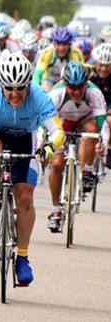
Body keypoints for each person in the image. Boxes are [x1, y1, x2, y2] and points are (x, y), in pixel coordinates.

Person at [0, 52, 64, 285]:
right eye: (9, 89)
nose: (15, 94)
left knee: (25, 196)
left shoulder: (39, 96)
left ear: (29, 85)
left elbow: (58, 132)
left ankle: (23, 257)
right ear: (0, 86)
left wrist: (49, 147)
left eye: (21, 88)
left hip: (27, 137)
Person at [47, 61, 109, 232]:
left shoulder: (94, 93)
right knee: (57, 164)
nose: (75, 92)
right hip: (62, 121)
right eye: (71, 87)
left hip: (85, 120)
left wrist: (102, 143)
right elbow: (45, 123)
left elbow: (102, 123)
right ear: (65, 84)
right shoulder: (56, 93)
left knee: (91, 130)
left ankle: (87, 169)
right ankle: (56, 210)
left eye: (79, 87)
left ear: (85, 85)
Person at [33, 27, 84, 92]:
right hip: (49, 81)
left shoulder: (76, 53)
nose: (61, 48)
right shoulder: (47, 52)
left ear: (69, 44)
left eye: (64, 44)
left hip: (68, 82)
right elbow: (38, 74)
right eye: (58, 44)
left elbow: (81, 73)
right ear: (54, 44)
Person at [88, 43, 111, 167]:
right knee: (91, 127)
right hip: (92, 105)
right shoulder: (89, 73)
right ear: (95, 63)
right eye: (101, 65)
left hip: (107, 105)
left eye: (107, 66)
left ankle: (108, 148)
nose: (103, 69)